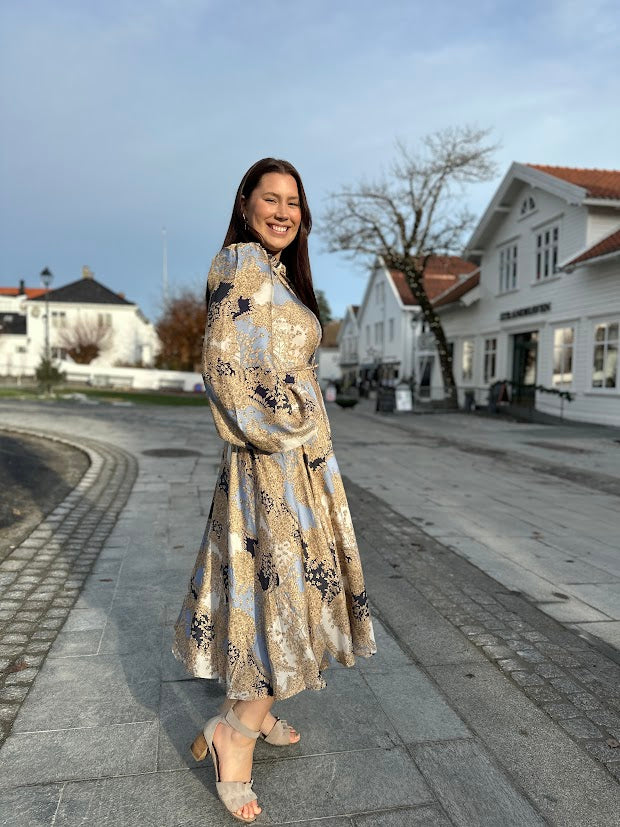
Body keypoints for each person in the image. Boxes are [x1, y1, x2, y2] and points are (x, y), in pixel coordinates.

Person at [171, 158, 377, 822]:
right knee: (285, 593)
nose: (284, 211)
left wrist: (308, 430)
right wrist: (291, 422)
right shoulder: (238, 262)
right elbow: (224, 363)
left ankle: (246, 713)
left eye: (294, 201)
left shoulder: (279, 273)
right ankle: (235, 732)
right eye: (272, 199)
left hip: (302, 465)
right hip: (272, 465)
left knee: (296, 592)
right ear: (246, 201)